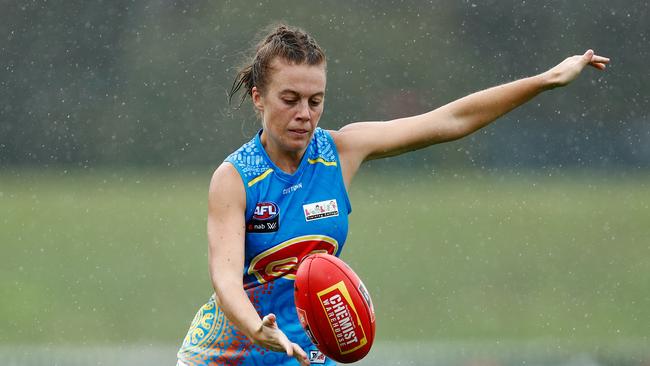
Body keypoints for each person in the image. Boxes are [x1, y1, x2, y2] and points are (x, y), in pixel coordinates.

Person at [176, 24, 609, 366]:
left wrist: (547, 80)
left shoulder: (340, 152)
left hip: (307, 354)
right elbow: (226, 280)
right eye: (290, 99)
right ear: (258, 97)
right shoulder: (235, 178)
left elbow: (451, 120)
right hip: (229, 357)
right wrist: (256, 329)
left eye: (315, 100)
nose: (304, 114)